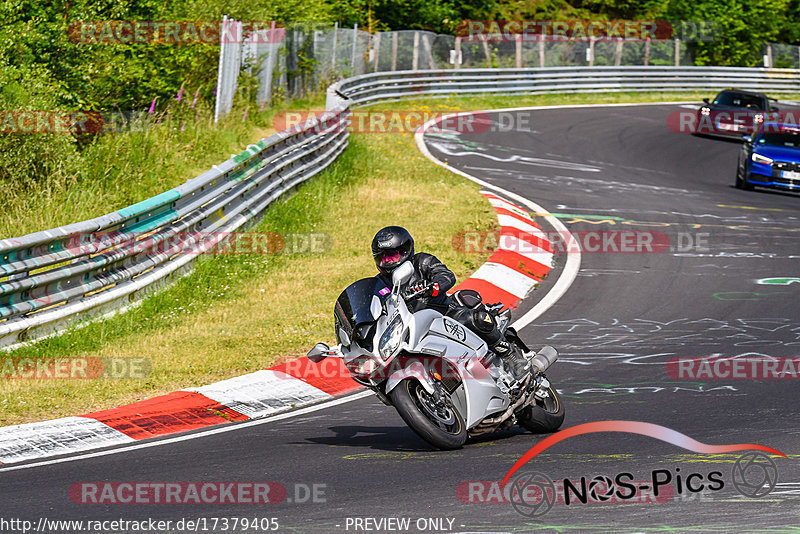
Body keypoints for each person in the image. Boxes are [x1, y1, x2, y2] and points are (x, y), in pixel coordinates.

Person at [371, 225, 530, 380]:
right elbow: (375, 305)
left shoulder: (422, 261)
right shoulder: (381, 283)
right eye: (382, 258)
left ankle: (510, 356)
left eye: (391, 256)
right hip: (413, 329)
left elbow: (446, 275)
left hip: (444, 314)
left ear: (405, 251)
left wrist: (432, 287)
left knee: (477, 319)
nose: (387, 262)